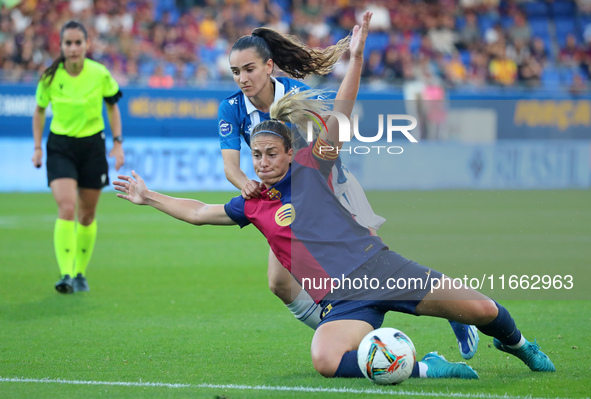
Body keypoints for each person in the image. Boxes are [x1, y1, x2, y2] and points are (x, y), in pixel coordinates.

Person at [115, 11, 555, 379]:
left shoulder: (307, 156)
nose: (262, 161)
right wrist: (149, 196)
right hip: (341, 293)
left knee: (478, 307)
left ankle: (516, 342)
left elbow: (340, 115)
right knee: (317, 347)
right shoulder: (251, 185)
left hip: (360, 235)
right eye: (257, 155)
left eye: (249, 68)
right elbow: (199, 209)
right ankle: (426, 366)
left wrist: (357, 58)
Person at [219, 11, 478, 361]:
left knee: (374, 257)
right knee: (279, 284)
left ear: (268, 66)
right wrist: (246, 183)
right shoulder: (231, 107)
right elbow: (230, 166)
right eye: (236, 72)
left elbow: (323, 150)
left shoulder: (297, 95)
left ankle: (456, 311)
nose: (242, 79)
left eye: (249, 69)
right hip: (283, 200)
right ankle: (341, 325)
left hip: (328, 190)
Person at [32, 20, 125, 294]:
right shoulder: (50, 77)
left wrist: (118, 143)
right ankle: (66, 274)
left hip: (93, 147)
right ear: (61, 46)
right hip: (60, 146)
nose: (73, 48)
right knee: (67, 207)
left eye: (77, 42)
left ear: (86, 45)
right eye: (68, 43)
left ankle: (80, 272)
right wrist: (38, 147)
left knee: (86, 215)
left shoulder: (99, 73)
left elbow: (113, 107)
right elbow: (38, 111)